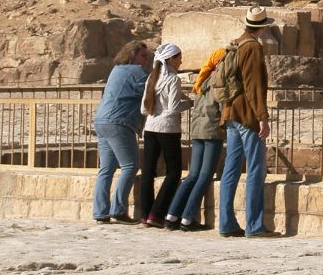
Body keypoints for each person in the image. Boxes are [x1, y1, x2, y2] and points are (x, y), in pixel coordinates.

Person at [218, 7, 276, 238]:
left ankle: (226, 223)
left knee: (230, 170)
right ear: (263, 27)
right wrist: (262, 117)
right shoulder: (252, 47)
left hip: (231, 112)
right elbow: (254, 86)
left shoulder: (236, 43)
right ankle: (254, 225)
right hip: (247, 115)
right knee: (255, 169)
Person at [164, 46, 226, 231]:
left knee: (192, 175)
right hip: (212, 131)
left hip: (197, 131)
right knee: (204, 176)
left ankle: (171, 215)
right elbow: (222, 107)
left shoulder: (202, 79)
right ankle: (188, 218)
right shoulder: (219, 80)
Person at [92, 41, 151, 224]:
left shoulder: (117, 70)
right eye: (143, 56)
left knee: (106, 169)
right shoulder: (137, 72)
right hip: (119, 122)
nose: (145, 60)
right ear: (132, 55)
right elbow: (152, 88)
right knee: (130, 166)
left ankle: (100, 212)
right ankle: (118, 209)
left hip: (102, 120)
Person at [137, 43, 190, 227]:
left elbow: (144, 108)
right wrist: (191, 103)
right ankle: (157, 214)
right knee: (174, 172)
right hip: (167, 129)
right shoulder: (173, 79)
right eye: (179, 57)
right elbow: (173, 108)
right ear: (170, 59)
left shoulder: (152, 77)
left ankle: (145, 215)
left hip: (150, 128)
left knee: (148, 172)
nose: (181, 61)